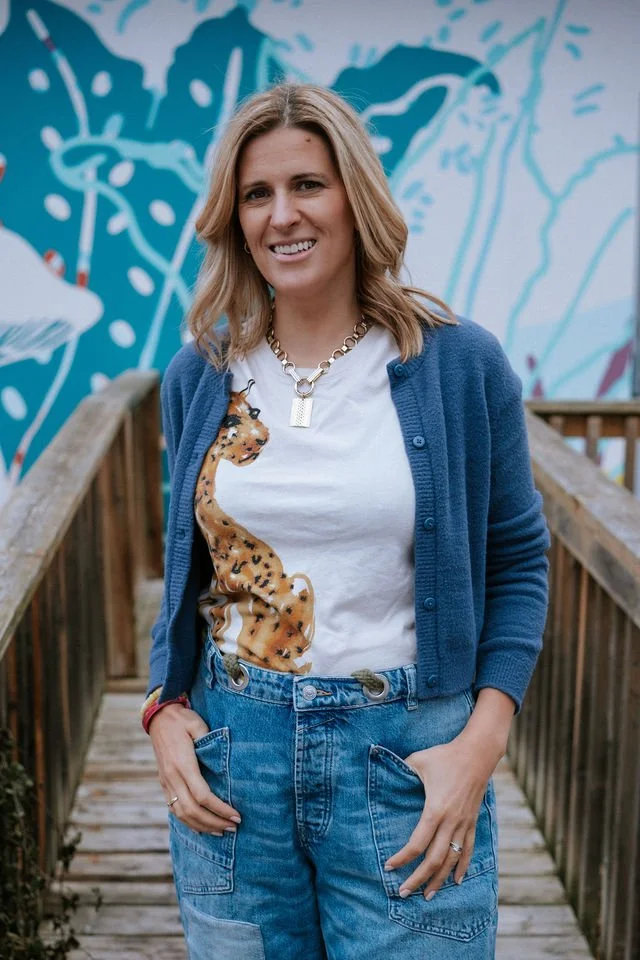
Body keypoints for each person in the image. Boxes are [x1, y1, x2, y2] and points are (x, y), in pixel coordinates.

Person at [141, 82, 550, 959]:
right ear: (233, 217)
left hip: (406, 762)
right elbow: (189, 566)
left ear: (355, 197)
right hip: (235, 758)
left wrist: (482, 741)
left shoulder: (457, 364)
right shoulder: (201, 374)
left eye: (308, 185)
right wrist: (163, 707)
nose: (282, 215)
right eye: (257, 194)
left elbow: (518, 558)